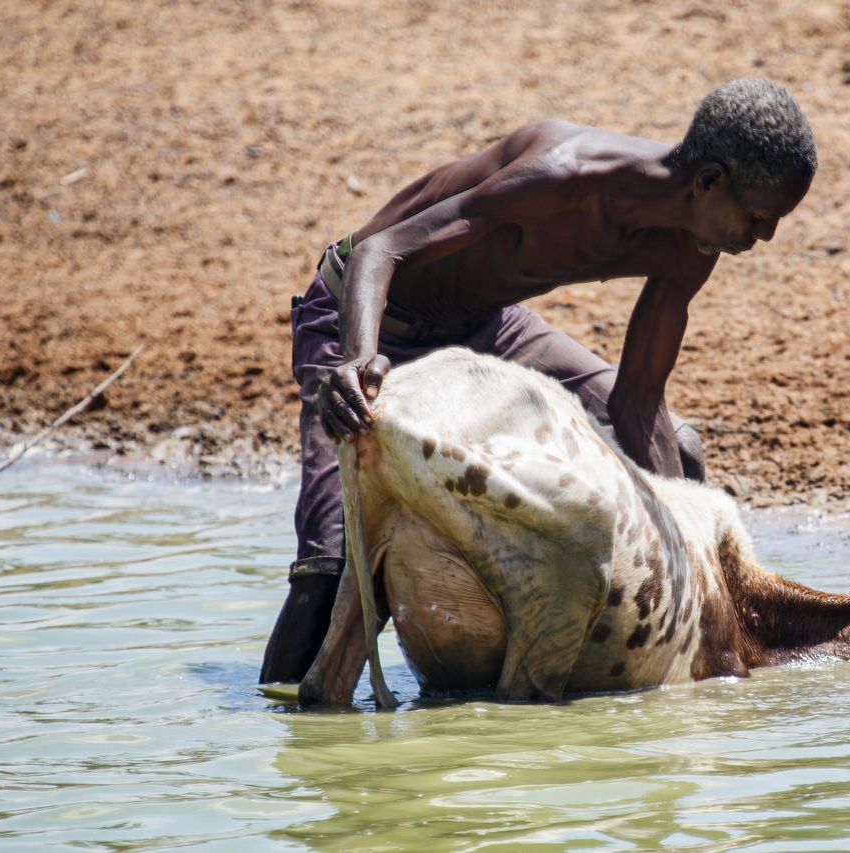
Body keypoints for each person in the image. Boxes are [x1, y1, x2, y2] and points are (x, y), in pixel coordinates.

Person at [259, 77, 818, 683]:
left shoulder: (694, 244)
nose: (764, 238)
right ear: (708, 181)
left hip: (490, 323)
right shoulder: (560, 177)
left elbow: (637, 401)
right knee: (330, 565)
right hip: (366, 310)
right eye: (760, 217)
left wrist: (680, 543)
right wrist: (355, 361)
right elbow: (380, 251)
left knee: (680, 449)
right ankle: (284, 718)